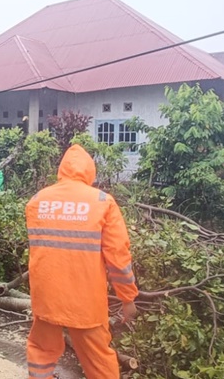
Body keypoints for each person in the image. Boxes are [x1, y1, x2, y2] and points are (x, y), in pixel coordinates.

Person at [24, 144, 138, 379]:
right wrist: (127, 298)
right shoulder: (102, 201)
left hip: (46, 299)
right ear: (90, 171)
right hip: (85, 303)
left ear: (61, 170)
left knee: (41, 351)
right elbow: (118, 256)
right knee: (99, 362)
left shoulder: (37, 200)